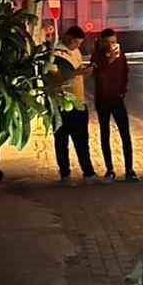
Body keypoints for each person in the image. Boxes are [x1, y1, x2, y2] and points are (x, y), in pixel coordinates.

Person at [50, 26, 97, 182]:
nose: (77, 47)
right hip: (61, 104)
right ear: (68, 38)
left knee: (82, 140)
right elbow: (55, 78)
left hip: (78, 102)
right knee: (61, 141)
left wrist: (84, 71)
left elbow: (76, 71)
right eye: (76, 43)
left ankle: (88, 172)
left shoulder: (76, 52)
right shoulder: (55, 54)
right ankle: (65, 173)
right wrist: (78, 73)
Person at [91, 28, 138, 180]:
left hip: (117, 98)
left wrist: (123, 90)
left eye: (114, 41)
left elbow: (125, 71)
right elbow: (96, 74)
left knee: (125, 133)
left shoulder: (120, 54)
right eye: (109, 42)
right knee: (105, 134)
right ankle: (109, 169)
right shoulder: (96, 56)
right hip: (102, 99)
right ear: (102, 42)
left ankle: (129, 169)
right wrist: (108, 60)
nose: (112, 45)